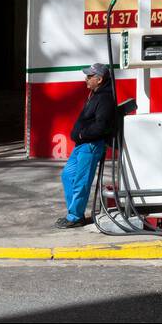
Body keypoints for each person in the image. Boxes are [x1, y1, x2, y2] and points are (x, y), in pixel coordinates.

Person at [55, 62, 119, 229]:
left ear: (99, 79)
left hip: (90, 145)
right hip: (82, 145)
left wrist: (83, 134)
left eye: (89, 76)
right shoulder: (95, 94)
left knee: (80, 182)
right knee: (68, 176)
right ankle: (75, 213)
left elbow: (102, 126)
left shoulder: (104, 98)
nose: (86, 79)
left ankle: (75, 216)